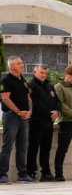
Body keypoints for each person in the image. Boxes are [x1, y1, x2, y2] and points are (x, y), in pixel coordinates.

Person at [0, 57, 34, 185]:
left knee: (22, 147)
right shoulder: (6, 80)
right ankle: (2, 175)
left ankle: (22, 174)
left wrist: (29, 111)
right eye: (19, 63)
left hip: (24, 118)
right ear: (11, 66)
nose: (22, 65)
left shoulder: (23, 80)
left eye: (22, 62)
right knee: (7, 147)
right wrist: (19, 112)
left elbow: (28, 97)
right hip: (11, 117)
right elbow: (5, 99)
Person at [27, 65, 60, 181]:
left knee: (46, 148)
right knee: (33, 148)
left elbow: (57, 101)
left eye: (45, 73)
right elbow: (35, 103)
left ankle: (46, 173)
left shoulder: (49, 86)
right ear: (34, 72)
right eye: (41, 73)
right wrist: (50, 113)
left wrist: (57, 111)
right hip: (36, 122)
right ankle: (31, 172)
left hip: (48, 122)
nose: (44, 75)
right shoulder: (31, 86)